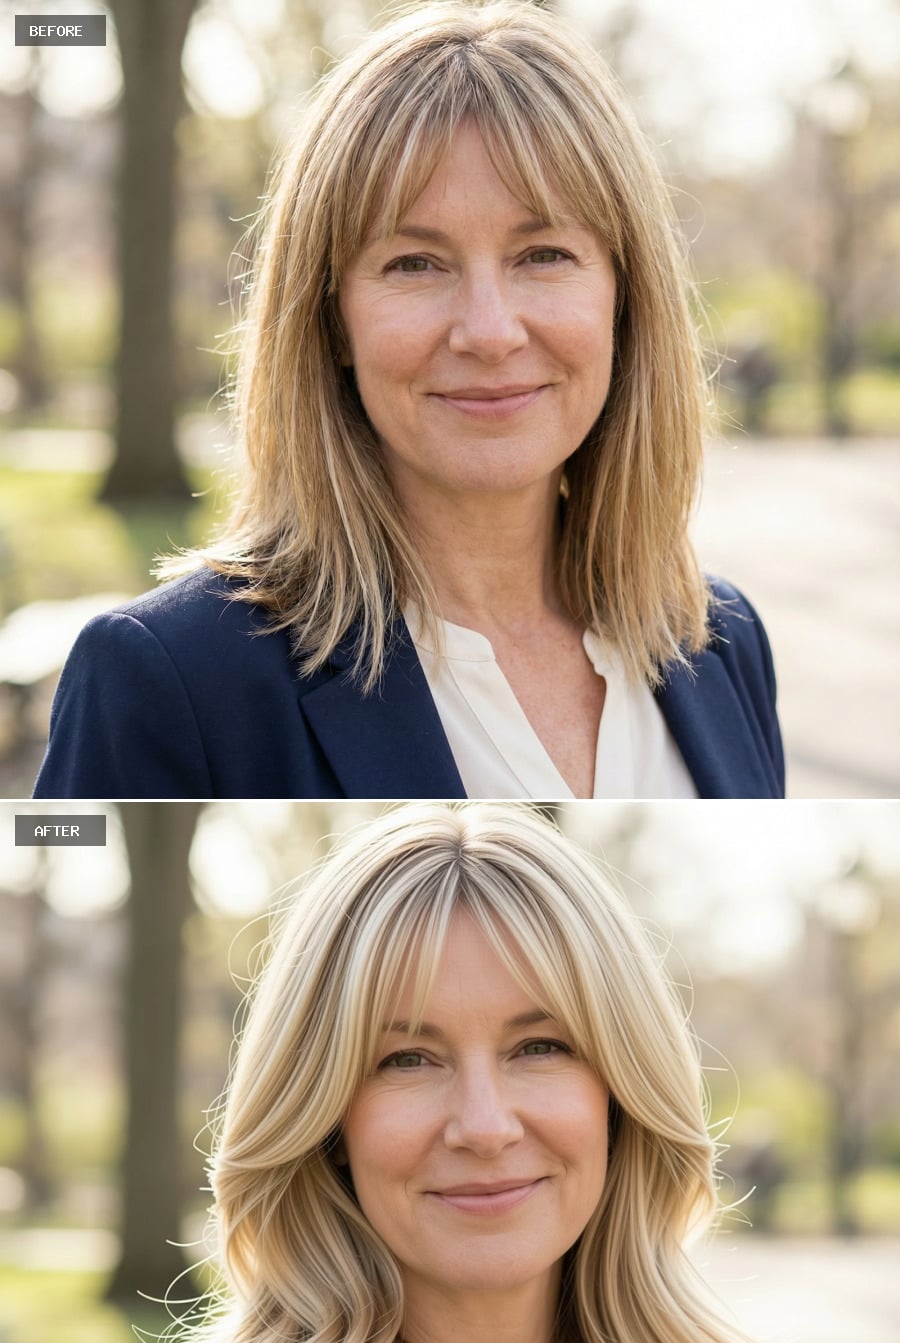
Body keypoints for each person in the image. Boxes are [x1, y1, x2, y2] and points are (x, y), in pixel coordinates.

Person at [38, 803, 807, 1343]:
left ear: (620, 1093)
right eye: (407, 1058)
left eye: (539, 1047)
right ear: (326, 1115)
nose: (484, 1126)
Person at [34, 1, 783, 802]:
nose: (490, 332)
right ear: (331, 319)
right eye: (415, 264)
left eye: (544, 254)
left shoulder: (721, 640)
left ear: (624, 299)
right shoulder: (167, 676)